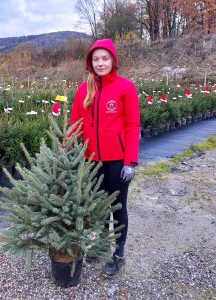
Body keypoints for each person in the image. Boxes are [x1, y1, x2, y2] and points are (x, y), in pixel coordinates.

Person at [70, 38, 140, 278]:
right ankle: (100, 245)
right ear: (90, 63)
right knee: (99, 209)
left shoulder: (125, 88)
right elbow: (75, 125)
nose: (100, 63)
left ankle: (118, 254)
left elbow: (133, 125)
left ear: (113, 60)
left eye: (105, 58)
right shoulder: (83, 90)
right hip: (91, 162)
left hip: (118, 162)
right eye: (96, 59)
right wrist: (71, 152)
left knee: (117, 208)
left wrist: (131, 161)